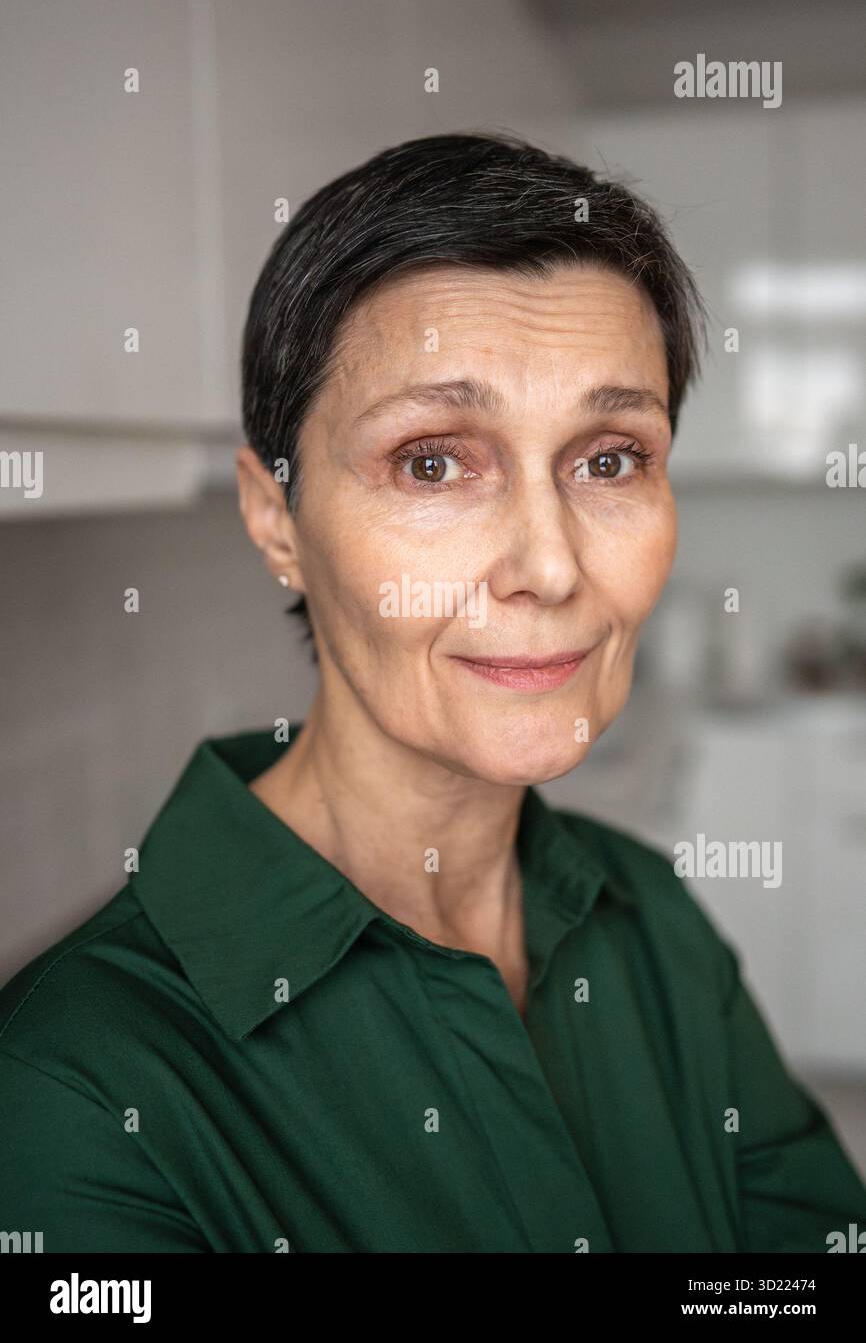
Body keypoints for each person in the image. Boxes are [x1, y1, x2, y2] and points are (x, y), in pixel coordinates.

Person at [2, 131, 865, 1252]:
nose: (549, 568)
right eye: (431, 461)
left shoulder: (648, 918)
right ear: (276, 518)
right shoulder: (72, 1087)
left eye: (608, 458)